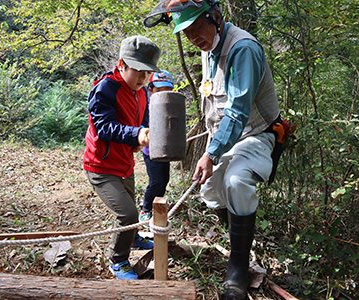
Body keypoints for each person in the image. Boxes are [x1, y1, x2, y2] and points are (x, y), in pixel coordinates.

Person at [145, 1, 284, 299]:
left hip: (256, 134)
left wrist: (211, 153)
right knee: (209, 190)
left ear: (216, 17)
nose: (194, 38)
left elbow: (237, 112)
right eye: (187, 33)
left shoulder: (243, 49)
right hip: (223, 137)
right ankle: (239, 238)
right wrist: (211, 150)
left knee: (236, 182)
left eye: (197, 29)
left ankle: (237, 267)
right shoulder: (209, 48)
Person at [83, 35, 161, 280]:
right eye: (138, 71)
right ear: (121, 65)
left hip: (125, 163)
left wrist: (145, 134)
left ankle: (133, 238)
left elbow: (145, 120)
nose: (142, 78)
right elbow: (104, 127)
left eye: (147, 73)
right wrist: (136, 135)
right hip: (101, 166)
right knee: (126, 214)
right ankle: (117, 259)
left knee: (132, 210)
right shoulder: (105, 88)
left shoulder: (141, 93)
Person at [139, 70, 174, 226]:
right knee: (155, 181)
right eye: (158, 90)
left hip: (165, 148)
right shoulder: (145, 105)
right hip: (150, 149)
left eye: (166, 90)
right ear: (150, 89)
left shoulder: (170, 104)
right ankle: (145, 209)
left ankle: (157, 207)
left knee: (164, 179)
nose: (162, 94)